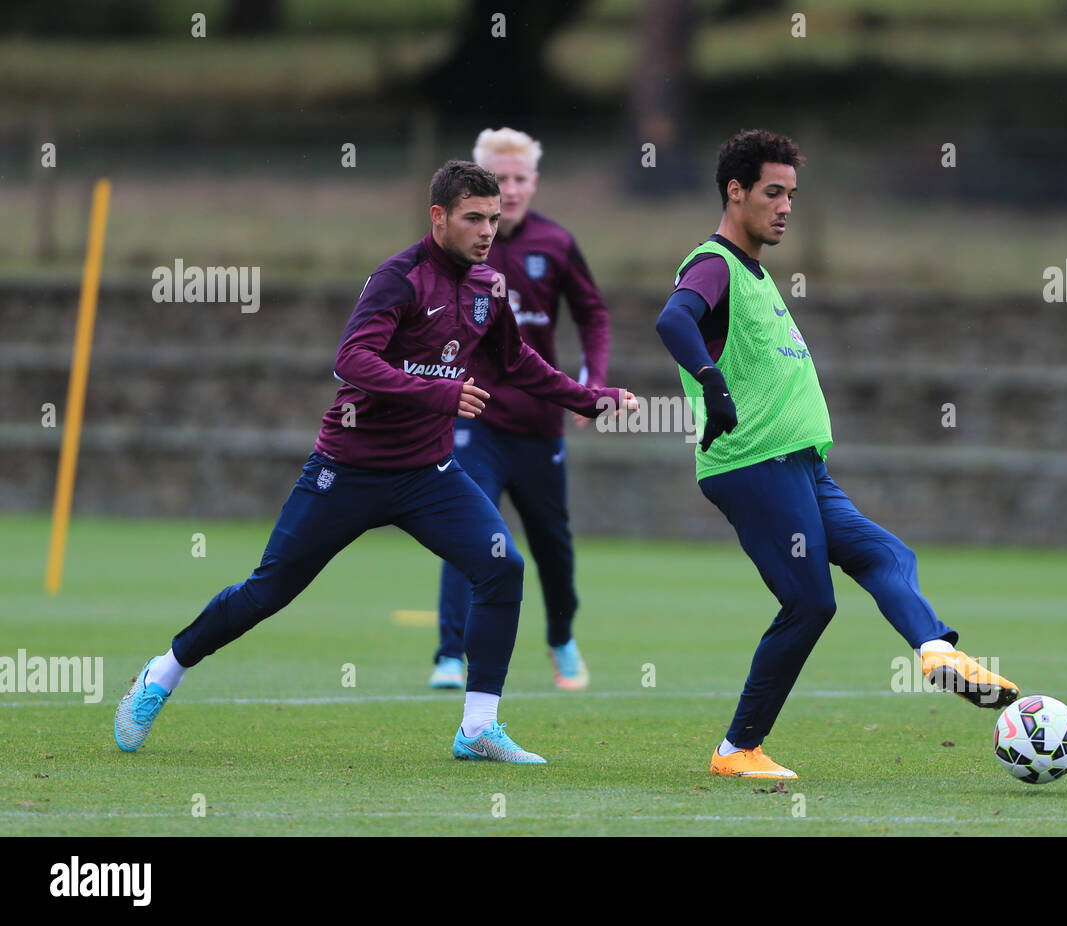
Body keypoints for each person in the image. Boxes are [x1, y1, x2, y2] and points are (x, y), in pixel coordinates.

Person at [114, 160, 636, 764]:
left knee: (501, 566)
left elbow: (516, 361)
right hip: (348, 470)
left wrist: (590, 398)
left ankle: (478, 727)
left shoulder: (489, 286)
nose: (488, 231)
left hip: (428, 475)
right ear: (438, 216)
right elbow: (352, 360)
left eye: (494, 219)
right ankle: (162, 673)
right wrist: (438, 393)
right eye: (473, 218)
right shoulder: (400, 278)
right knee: (268, 591)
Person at [654, 129, 1019, 779]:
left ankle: (936, 650)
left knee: (886, 554)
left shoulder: (756, 274)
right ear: (735, 192)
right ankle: (737, 750)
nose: (785, 207)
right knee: (810, 603)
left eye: (792, 195)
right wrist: (710, 382)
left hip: (800, 466)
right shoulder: (714, 264)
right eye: (773, 192)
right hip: (752, 463)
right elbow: (673, 320)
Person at [430, 128, 611, 692]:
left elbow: (593, 314)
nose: (509, 190)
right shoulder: (455, 251)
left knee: (551, 543)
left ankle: (561, 636)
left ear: (533, 182)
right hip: (474, 419)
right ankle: (449, 654)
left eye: (518, 179)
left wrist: (592, 382)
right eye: (499, 179)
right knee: (469, 528)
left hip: (538, 424)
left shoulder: (556, 243)